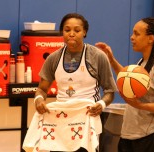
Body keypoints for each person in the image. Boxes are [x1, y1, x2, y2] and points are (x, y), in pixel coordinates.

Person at [32, 13, 117, 152]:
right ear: (62, 32)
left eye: (77, 30)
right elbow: (42, 89)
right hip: (60, 120)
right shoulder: (53, 58)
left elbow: (110, 91)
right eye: (67, 30)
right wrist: (39, 100)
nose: (71, 34)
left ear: (84, 32)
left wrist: (101, 104)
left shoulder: (97, 56)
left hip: (87, 118)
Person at [95, 17, 154, 152]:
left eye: (136, 33)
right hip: (130, 137)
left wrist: (140, 105)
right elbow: (128, 79)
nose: (131, 37)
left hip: (153, 136)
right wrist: (111, 60)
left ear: (150, 38)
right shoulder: (142, 62)